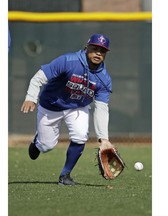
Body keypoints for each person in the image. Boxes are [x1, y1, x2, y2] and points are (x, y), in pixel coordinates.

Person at [21, 34, 113, 186]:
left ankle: (65, 175)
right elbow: (38, 78)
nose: (98, 53)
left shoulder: (104, 79)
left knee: (80, 136)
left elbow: (102, 109)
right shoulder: (68, 61)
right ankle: (38, 141)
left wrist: (104, 139)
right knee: (46, 146)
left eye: (102, 51)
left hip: (78, 107)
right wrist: (31, 97)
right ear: (86, 48)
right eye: (95, 48)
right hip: (51, 105)